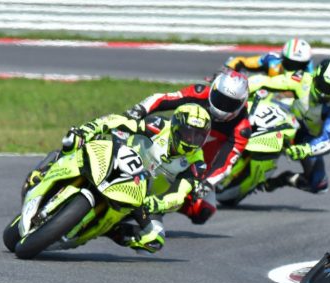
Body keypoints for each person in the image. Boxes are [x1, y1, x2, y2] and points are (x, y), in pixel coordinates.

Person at [25, 104, 212, 253]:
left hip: (142, 199)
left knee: (154, 240)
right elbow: (121, 122)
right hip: (119, 162)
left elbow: (180, 194)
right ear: (176, 127)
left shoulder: (197, 163)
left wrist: (158, 204)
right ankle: (46, 170)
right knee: (74, 142)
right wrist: (89, 128)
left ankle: (110, 230)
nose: (192, 140)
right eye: (188, 133)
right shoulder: (159, 125)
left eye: (198, 136)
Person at [123, 70, 252, 223]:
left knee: (203, 211)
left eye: (230, 104)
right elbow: (164, 98)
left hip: (195, 167)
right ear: (213, 89)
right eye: (219, 98)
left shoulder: (241, 129)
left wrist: (207, 183)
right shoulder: (200, 93)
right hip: (168, 147)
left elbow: (225, 163)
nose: (222, 106)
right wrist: (140, 109)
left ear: (241, 104)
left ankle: (161, 205)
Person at [248, 58, 330, 194]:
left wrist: (306, 149)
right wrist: (244, 89)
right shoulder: (302, 79)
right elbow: (265, 82)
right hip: (284, 117)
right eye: (322, 85)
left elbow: (328, 139)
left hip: (306, 138)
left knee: (320, 184)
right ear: (315, 76)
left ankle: (283, 180)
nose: (324, 92)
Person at [224, 38, 314, 77]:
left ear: (306, 63)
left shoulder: (310, 73)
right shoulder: (272, 61)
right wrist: (229, 69)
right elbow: (241, 61)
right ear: (283, 58)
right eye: (291, 63)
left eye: (299, 65)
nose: (294, 67)